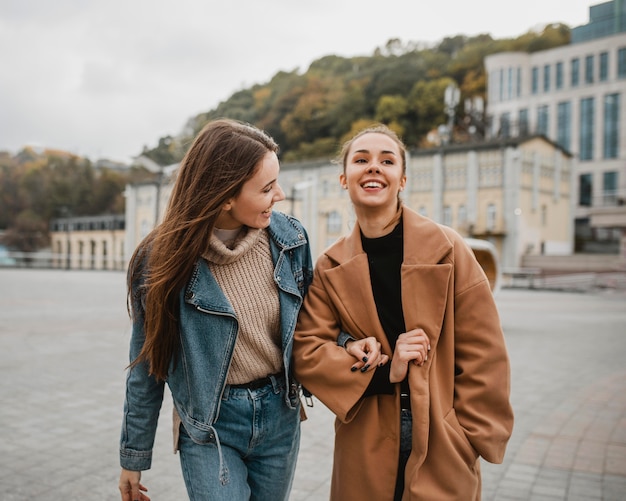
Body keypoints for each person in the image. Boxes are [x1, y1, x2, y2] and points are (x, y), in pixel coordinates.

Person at [293, 124, 514, 500]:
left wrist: (470, 437)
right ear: (345, 179)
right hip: (366, 440)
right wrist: (381, 368)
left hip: (443, 435)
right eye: (361, 160)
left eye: (387, 160)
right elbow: (307, 350)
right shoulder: (330, 265)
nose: (374, 167)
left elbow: (484, 349)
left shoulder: (448, 248)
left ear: (403, 179)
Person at [118, 119, 313, 501]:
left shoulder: (290, 239)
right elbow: (146, 367)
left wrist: (349, 341)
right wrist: (133, 456)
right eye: (268, 188)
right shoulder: (161, 260)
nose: (281, 196)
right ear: (225, 196)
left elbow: (314, 320)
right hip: (210, 426)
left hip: (280, 417)